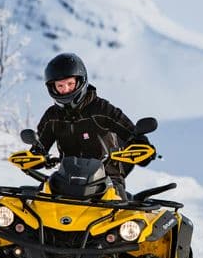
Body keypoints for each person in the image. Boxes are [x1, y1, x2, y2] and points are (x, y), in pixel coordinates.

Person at [35, 52, 148, 198]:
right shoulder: (52, 117)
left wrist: (142, 145)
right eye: (60, 86)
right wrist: (35, 156)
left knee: (121, 214)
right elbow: (40, 148)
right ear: (53, 88)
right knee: (38, 201)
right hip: (67, 180)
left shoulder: (101, 109)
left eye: (70, 83)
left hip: (107, 180)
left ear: (80, 81)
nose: (66, 89)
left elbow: (131, 132)